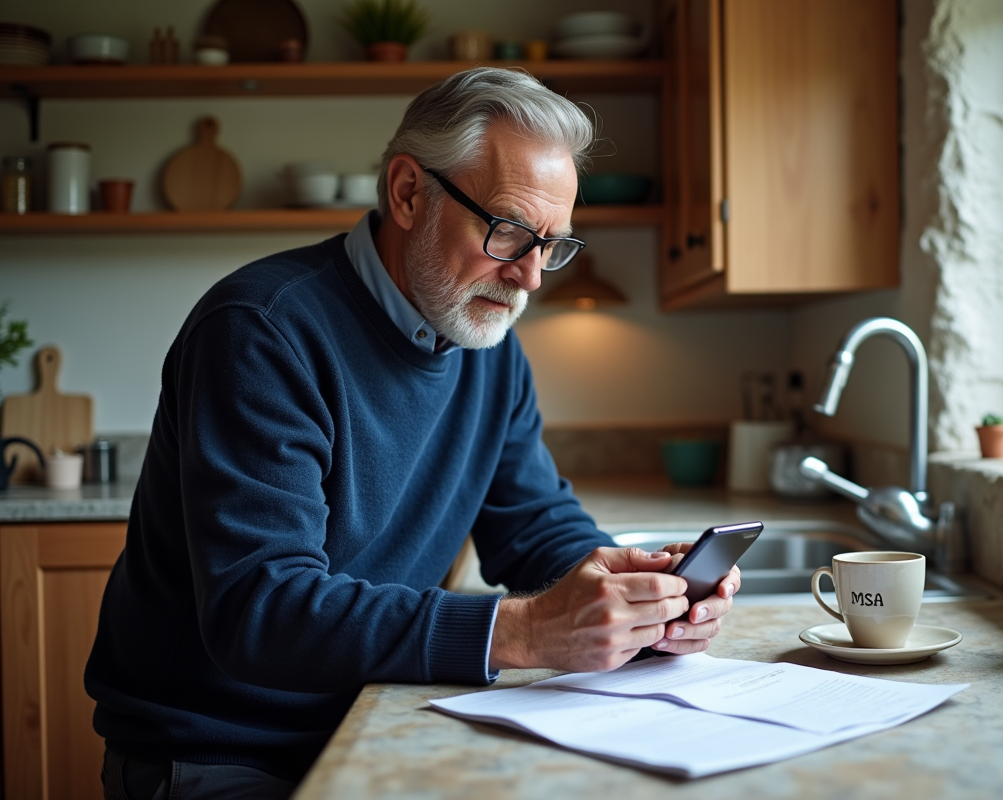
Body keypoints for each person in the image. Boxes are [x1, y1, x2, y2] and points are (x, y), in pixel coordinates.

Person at [86, 67, 742, 800]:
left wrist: (638, 589)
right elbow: (260, 609)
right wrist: (521, 631)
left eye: (551, 244)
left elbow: (531, 526)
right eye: (508, 231)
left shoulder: (486, 347)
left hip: (375, 714)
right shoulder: (261, 333)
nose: (529, 278)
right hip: (220, 752)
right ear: (408, 192)